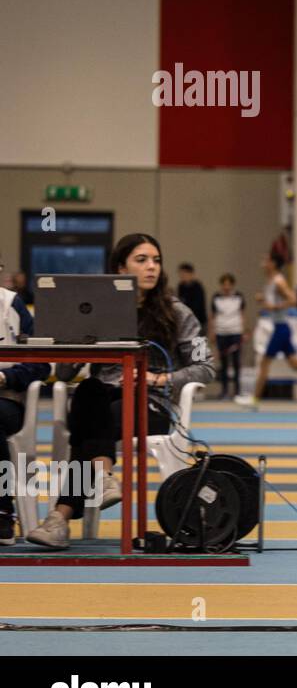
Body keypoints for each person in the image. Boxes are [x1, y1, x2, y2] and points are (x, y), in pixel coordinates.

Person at [26, 233, 215, 549]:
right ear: (120, 268)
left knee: (86, 429)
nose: (151, 267)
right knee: (89, 389)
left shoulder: (178, 312)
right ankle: (101, 475)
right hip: (102, 401)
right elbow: (64, 372)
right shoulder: (97, 310)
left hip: (149, 404)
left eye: (156, 260)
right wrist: (77, 337)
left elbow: (206, 366)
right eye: (141, 260)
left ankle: (59, 518)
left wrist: (159, 379)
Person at [236, 253, 297, 409]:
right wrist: (264, 300)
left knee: (264, 363)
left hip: (281, 328)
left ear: (273, 264)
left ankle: (254, 399)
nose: (263, 263)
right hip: (281, 328)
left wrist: (273, 307)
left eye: (266, 261)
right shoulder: (270, 281)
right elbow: (278, 300)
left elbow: (293, 300)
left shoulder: (279, 281)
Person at [0, 278, 51, 546]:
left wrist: (5, 377)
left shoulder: (13, 305)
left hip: (6, 400)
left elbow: (41, 363)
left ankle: (2, 512)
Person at [211, 273, 247, 400]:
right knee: (224, 364)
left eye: (228, 284)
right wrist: (212, 332)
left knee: (236, 363)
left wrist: (244, 332)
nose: (226, 287)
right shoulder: (216, 298)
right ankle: (224, 391)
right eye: (224, 284)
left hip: (235, 332)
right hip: (221, 333)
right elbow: (213, 316)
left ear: (232, 285)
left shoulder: (239, 297)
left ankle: (237, 391)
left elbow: (242, 314)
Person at [176, 263, 208, 336]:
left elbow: (197, 306)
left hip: (198, 321)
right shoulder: (181, 286)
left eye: (184, 273)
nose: (182, 276)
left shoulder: (197, 287)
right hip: (186, 321)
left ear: (190, 273)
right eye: (180, 273)